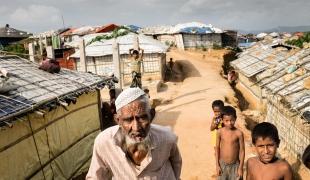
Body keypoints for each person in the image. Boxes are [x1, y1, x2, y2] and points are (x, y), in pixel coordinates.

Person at [86, 88, 182, 179]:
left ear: (151, 115)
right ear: (118, 120)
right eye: (128, 120)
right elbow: (95, 177)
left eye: (142, 118)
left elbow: (176, 165)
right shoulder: (104, 143)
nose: (136, 128)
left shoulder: (166, 138)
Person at [216, 106, 245, 180]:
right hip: (222, 165)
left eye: (232, 120)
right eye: (226, 120)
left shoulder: (239, 133)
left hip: (235, 166)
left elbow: (242, 151)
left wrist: (240, 168)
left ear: (235, 118)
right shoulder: (220, 132)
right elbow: (217, 148)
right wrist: (217, 165)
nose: (229, 123)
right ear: (222, 120)